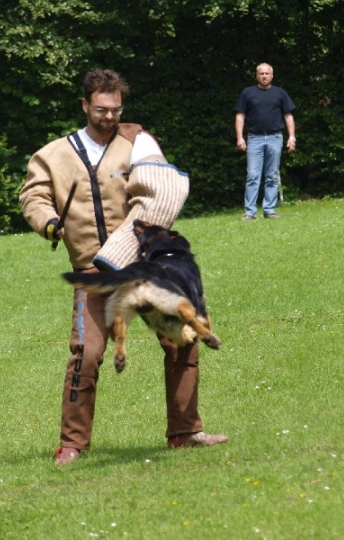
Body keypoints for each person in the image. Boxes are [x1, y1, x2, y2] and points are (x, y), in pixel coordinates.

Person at [19, 69, 228, 466]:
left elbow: (160, 185)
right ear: (84, 105)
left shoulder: (134, 145)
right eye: (101, 109)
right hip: (94, 275)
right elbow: (33, 196)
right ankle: (72, 444)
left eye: (116, 109)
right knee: (87, 354)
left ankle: (185, 432)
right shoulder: (53, 155)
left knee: (183, 339)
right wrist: (48, 222)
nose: (109, 117)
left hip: (143, 269)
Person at [234, 63, 297, 220]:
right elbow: (240, 116)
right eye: (261, 73)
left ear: (272, 75)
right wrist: (240, 137)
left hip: (275, 138)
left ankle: (269, 210)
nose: (264, 76)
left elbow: (288, 115)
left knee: (272, 176)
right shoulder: (247, 93)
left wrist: (292, 136)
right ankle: (250, 212)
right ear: (256, 75)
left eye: (267, 73)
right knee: (252, 175)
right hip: (254, 138)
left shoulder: (280, 93)